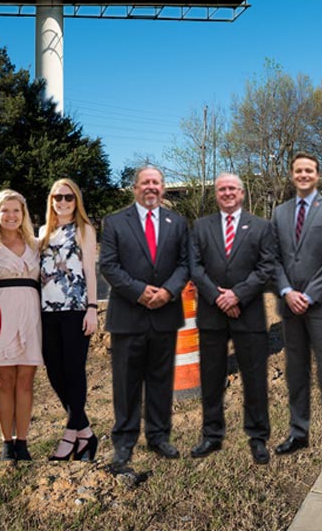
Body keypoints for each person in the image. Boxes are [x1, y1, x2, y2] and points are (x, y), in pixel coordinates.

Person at [99, 165, 190, 468]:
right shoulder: (114, 223)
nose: (151, 187)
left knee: (160, 380)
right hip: (128, 315)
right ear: (135, 187)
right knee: (126, 384)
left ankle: (159, 436)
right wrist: (140, 292)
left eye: (157, 182)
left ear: (162, 188)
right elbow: (109, 266)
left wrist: (168, 292)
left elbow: (185, 264)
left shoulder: (177, 222)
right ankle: (124, 443)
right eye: (145, 182)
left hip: (165, 315)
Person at [189, 173, 278, 464]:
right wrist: (219, 297)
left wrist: (237, 295)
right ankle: (211, 435)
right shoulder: (201, 227)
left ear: (241, 193)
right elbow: (194, 266)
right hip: (211, 314)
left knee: (254, 378)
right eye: (221, 189)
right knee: (212, 377)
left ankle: (257, 437)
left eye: (233, 189)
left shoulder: (261, 227)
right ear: (217, 194)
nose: (227, 193)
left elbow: (266, 268)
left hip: (248, 313)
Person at [271, 152, 322, 468]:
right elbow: (272, 257)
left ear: (317, 175)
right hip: (291, 307)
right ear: (292, 175)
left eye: (310, 170)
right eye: (298, 170)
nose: (304, 175)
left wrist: (309, 295)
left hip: (321, 307)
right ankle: (298, 433)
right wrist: (288, 292)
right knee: (297, 372)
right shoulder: (279, 214)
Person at [0, 189, 42, 463]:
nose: (11, 215)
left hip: (31, 314)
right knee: (4, 381)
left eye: (16, 210)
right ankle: (6, 444)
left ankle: (23, 443)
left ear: (23, 214)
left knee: (26, 382)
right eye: (5, 210)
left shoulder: (38, 245)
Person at [38, 179, 100, 462]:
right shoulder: (43, 232)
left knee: (74, 372)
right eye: (57, 197)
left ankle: (70, 435)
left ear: (77, 201)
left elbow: (90, 271)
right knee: (54, 372)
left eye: (68, 197)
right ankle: (85, 432)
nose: (62, 202)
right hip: (46, 312)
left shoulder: (84, 230)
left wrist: (92, 308)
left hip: (75, 309)